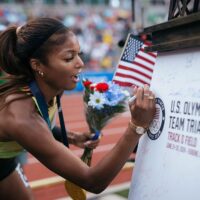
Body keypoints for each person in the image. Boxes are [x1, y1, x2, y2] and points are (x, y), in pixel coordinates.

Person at [0, 17, 155, 199]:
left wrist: (72, 137)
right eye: (68, 57)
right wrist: (136, 126)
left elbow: (42, 123)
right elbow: (93, 181)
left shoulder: (51, 86)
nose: (80, 63)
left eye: (79, 53)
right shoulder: (21, 116)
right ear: (38, 65)